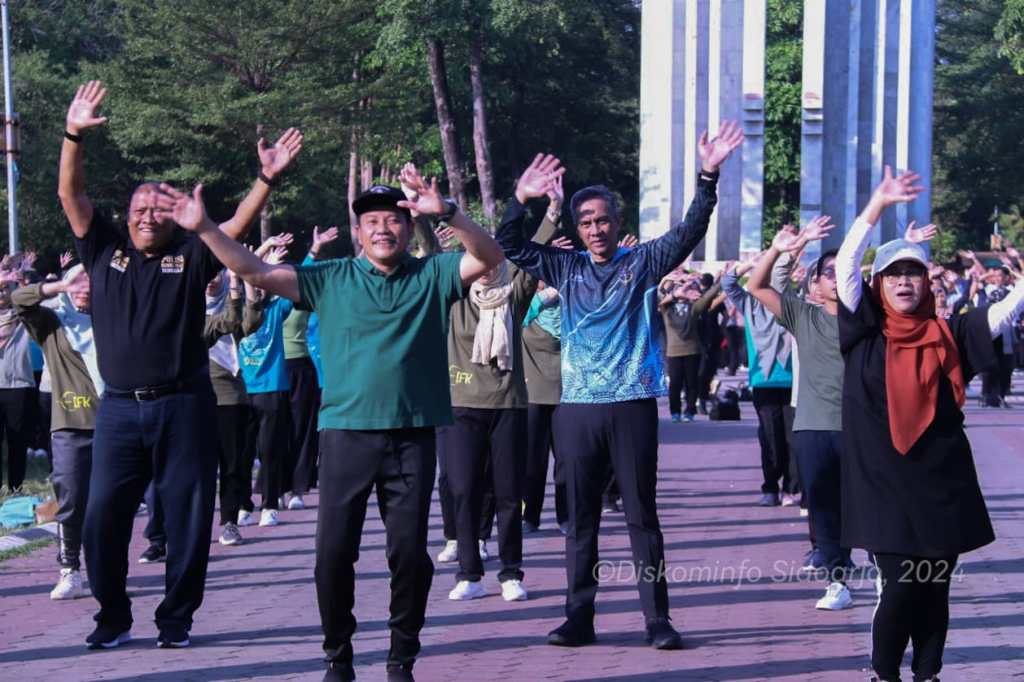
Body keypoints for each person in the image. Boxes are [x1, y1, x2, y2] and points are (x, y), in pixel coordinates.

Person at [170, 171, 504, 682]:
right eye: (372, 221)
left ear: (406, 226)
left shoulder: (432, 275)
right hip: (346, 434)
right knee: (332, 555)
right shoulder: (330, 278)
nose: (383, 229)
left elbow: (488, 257)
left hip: (412, 436)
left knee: (410, 556)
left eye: (392, 219)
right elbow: (257, 272)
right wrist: (207, 229)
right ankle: (338, 657)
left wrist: (448, 211)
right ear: (359, 231)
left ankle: (401, 656)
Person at [58, 80, 302, 649]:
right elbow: (71, 195)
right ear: (126, 214)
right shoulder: (104, 248)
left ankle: (175, 621)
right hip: (118, 410)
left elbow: (235, 229)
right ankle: (112, 617)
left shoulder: (189, 254)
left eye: (160, 209)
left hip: (186, 405)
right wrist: (73, 134)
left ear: (175, 216)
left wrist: (265, 179)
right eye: (140, 208)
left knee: (190, 521)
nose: (148, 215)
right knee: (101, 523)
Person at [496, 121, 743, 650]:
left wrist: (708, 175)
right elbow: (510, 245)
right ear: (579, 228)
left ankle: (657, 620)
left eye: (603, 219)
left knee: (641, 518)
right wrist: (523, 197)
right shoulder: (563, 267)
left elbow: (690, 230)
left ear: (616, 222)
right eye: (586, 221)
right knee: (579, 521)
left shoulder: (644, 263)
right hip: (577, 410)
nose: (595, 228)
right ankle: (578, 617)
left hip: (631, 405)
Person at [835, 166, 1024, 682]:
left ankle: (928, 674)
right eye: (893, 274)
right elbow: (848, 262)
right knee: (899, 585)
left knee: (934, 588)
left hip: (941, 481)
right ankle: (884, 672)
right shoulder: (863, 332)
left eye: (912, 273)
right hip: (881, 482)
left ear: (927, 282)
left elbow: (1006, 313)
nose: (902, 282)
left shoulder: (950, 332)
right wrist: (877, 206)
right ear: (879, 283)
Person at [438, 161, 559, 604]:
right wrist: (423, 213)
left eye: (494, 257)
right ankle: (469, 572)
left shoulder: (516, 290)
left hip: (509, 405)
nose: (487, 266)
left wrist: (548, 211)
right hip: (460, 404)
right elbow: (428, 254)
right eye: (479, 256)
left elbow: (535, 246)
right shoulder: (452, 293)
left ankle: (510, 571)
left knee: (509, 493)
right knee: (464, 491)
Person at [746, 215, 856, 611]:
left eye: (842, 271)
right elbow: (755, 286)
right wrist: (780, 248)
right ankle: (837, 580)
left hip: (859, 429)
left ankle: (884, 570)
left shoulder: (866, 318)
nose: (836, 278)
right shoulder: (802, 316)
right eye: (828, 272)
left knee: (869, 503)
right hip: (812, 427)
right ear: (816, 284)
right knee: (823, 507)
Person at [12, 266, 100, 600]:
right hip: (70, 425)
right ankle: (70, 570)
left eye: (89, 282)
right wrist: (58, 284)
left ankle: (105, 569)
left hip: (114, 424)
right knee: (71, 499)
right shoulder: (52, 325)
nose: (83, 289)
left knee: (107, 504)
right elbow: (21, 301)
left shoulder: (114, 319)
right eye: (77, 283)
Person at [721, 255, 799, 507]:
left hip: (793, 383)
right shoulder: (749, 305)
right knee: (770, 438)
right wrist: (752, 264)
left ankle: (792, 488)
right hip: (763, 382)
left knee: (793, 439)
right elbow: (729, 283)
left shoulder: (790, 304)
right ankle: (770, 487)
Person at [205, 266, 267, 546]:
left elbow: (250, 321)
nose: (210, 281)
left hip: (229, 396)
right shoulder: (184, 304)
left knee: (232, 464)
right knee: (194, 468)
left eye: (215, 275)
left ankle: (229, 521)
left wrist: (243, 280)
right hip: (193, 398)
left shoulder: (231, 304)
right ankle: (169, 533)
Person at [522, 183, 568, 536]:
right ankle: (530, 515)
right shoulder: (526, 308)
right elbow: (519, 311)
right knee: (532, 462)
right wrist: (540, 299)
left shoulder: (569, 310)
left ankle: (567, 516)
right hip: (533, 396)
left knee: (567, 462)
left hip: (568, 394)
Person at [659, 273, 722, 422]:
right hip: (673, 352)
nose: (683, 291)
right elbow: (659, 298)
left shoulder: (693, 307)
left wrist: (723, 281)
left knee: (691, 383)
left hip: (692, 351)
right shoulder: (667, 308)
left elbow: (707, 297)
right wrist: (667, 280)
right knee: (675, 384)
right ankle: (675, 412)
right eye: (680, 289)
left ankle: (690, 411)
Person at [0, 278, 34, 497]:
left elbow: (38, 302)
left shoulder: (24, 317)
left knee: (17, 441)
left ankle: (15, 488)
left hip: (19, 385)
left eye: (5, 288)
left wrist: (24, 284)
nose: (2, 292)